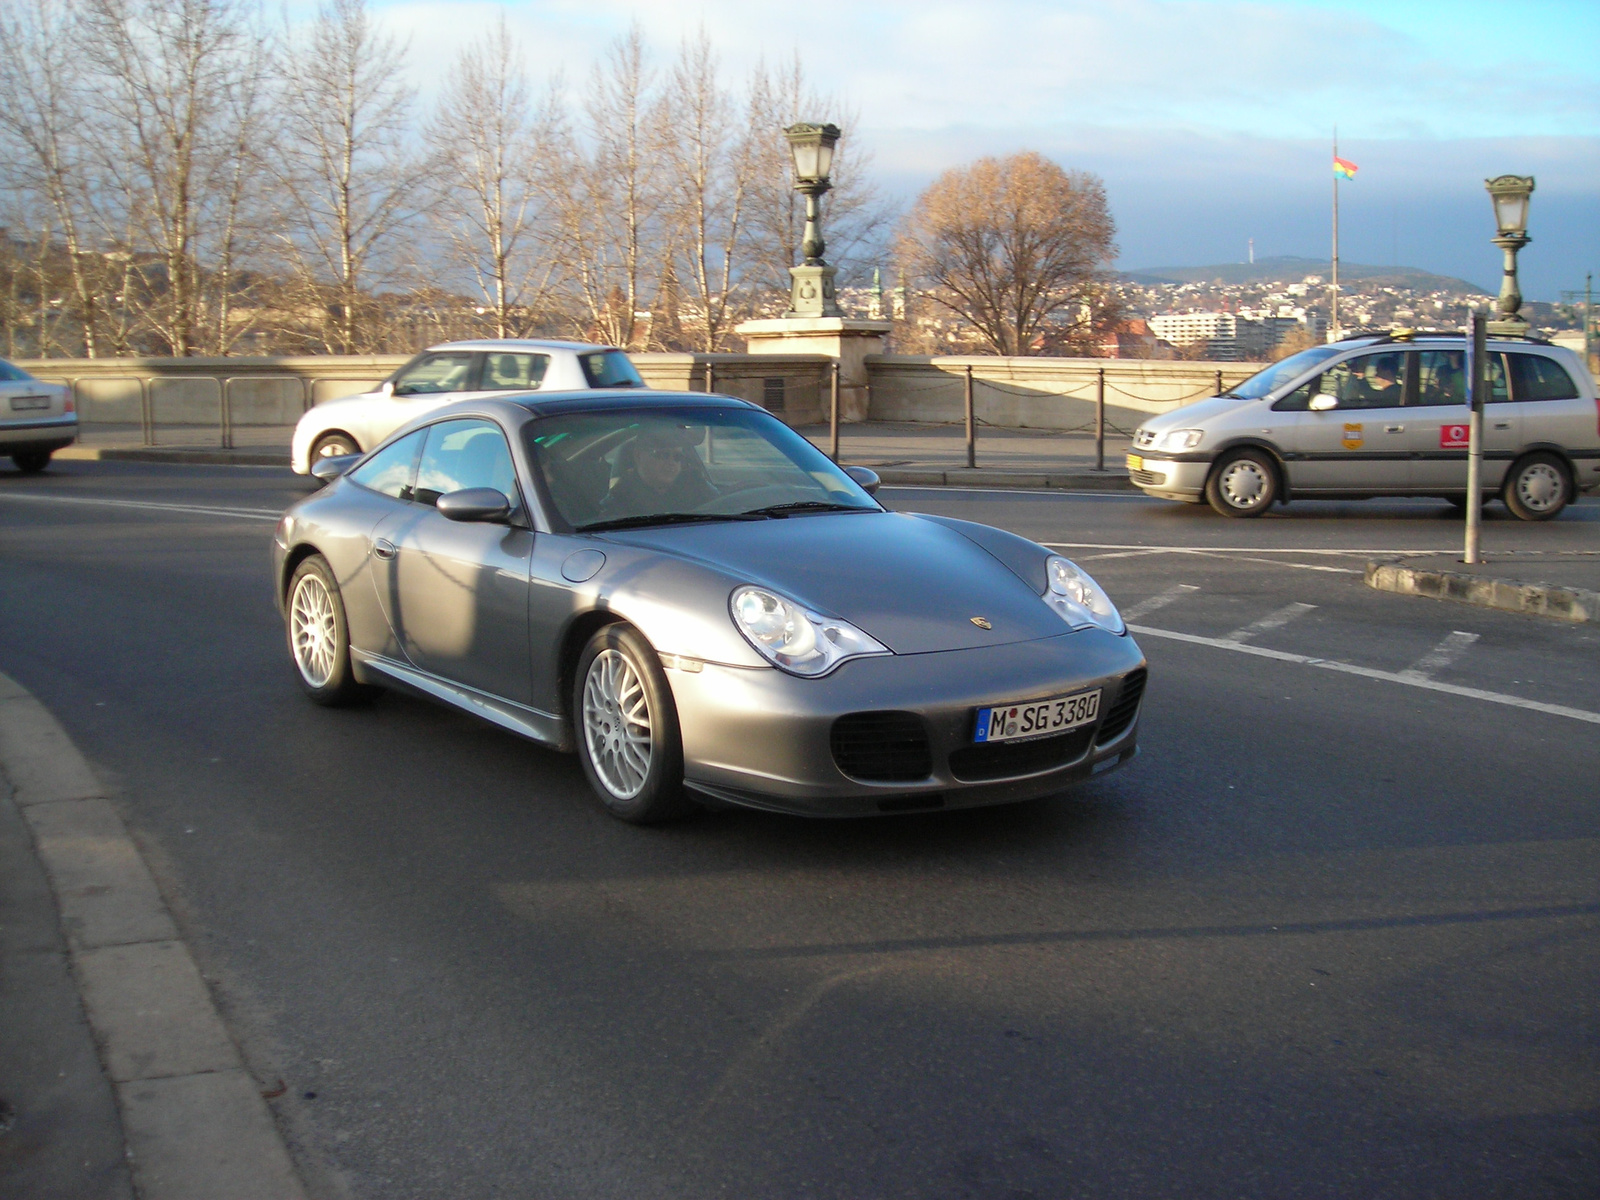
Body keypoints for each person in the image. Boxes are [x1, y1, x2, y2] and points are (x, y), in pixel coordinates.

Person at [598, 423, 717, 518]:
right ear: (639, 456)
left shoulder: (694, 484)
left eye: (677, 457)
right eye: (663, 455)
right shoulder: (620, 498)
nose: (672, 462)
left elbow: (721, 505)